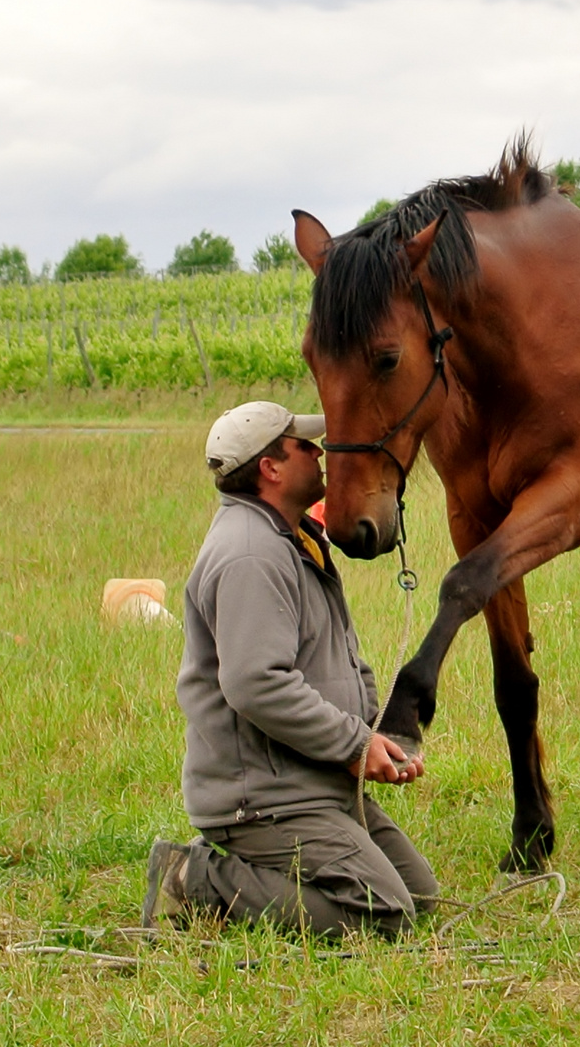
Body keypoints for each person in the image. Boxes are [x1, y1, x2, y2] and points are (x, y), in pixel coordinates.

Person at [142, 400, 437, 937]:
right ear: (270, 468)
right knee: (386, 915)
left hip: (311, 781)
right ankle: (195, 877)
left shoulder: (293, 538)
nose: (320, 451)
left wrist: (376, 735)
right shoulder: (252, 554)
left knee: (419, 894)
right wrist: (352, 746)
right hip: (264, 800)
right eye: (304, 445)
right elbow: (255, 683)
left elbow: (340, 657)